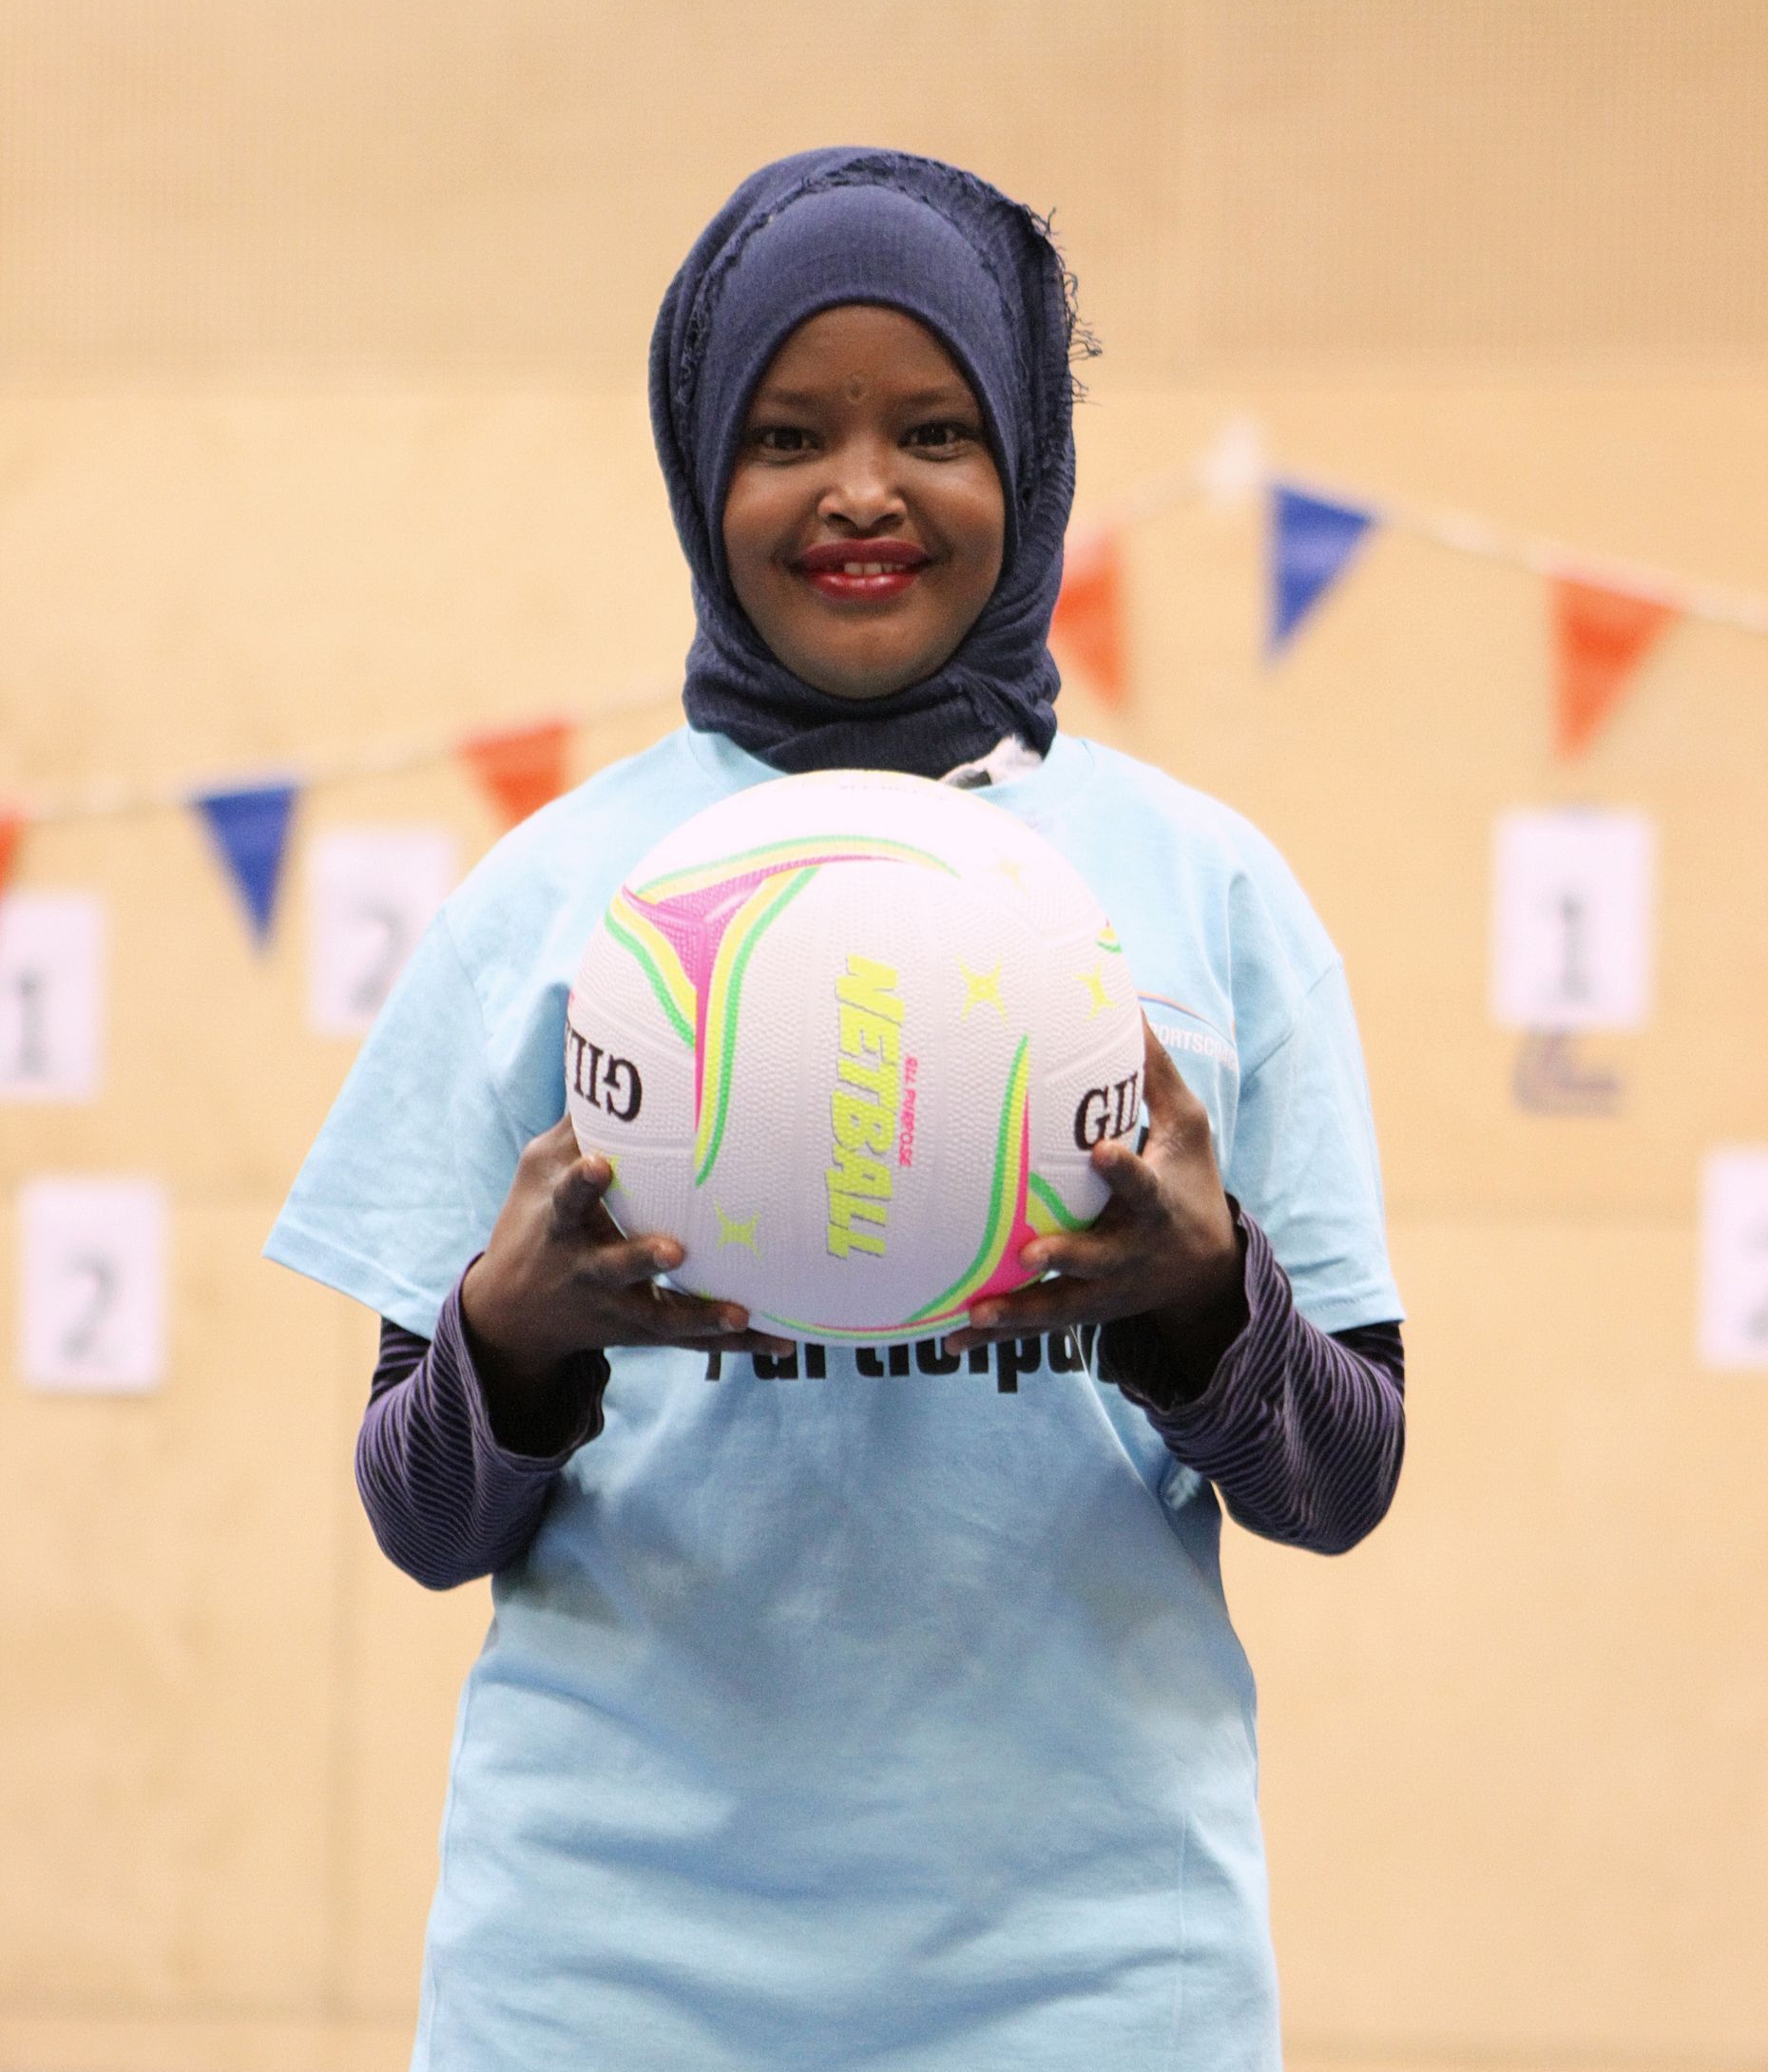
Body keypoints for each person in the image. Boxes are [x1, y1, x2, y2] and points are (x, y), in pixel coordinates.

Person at [266, 147, 1405, 2072]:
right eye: (787, 433)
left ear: (1028, 461)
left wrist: (1206, 1305)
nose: (861, 490)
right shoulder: (551, 898)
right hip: (604, 1978)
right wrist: (508, 1342)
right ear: (698, 467)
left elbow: (1340, 1486)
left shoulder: (1207, 893)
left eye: (934, 430)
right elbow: (422, 1521)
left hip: (1088, 1981)